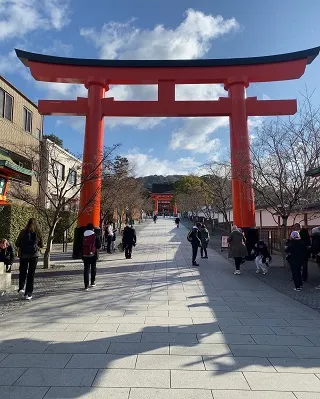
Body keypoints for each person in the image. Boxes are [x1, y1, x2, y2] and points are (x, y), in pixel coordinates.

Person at [15, 218, 43, 300]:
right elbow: (41, 245)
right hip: (34, 255)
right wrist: (36, 246)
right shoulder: (38, 233)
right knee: (31, 274)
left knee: (23, 272)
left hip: (24, 255)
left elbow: (17, 243)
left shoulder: (23, 232)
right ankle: (29, 293)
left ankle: (21, 288)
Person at [82, 223, 101, 291]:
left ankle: (86, 286)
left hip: (85, 254)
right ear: (93, 229)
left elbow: (80, 245)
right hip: (93, 254)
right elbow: (99, 245)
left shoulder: (83, 235)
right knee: (93, 268)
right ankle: (92, 282)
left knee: (86, 269)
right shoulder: (95, 235)